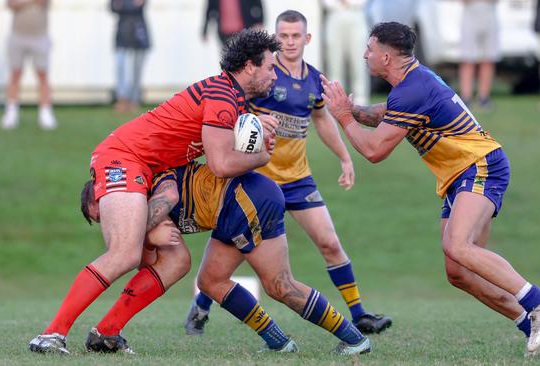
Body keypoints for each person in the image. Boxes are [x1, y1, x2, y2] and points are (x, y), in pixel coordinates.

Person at [27, 28, 281, 354]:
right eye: (271, 67)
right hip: (124, 158)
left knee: (177, 261)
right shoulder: (221, 94)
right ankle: (51, 334)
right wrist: (262, 156)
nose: (275, 75)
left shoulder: (234, 100)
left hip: (153, 171)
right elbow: (219, 164)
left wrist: (261, 126)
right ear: (249, 66)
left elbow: (228, 142)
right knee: (125, 253)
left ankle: (107, 332)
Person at [321, 21, 540, 356]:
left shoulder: (413, 88)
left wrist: (343, 117)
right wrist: (351, 110)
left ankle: (536, 303)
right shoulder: (411, 84)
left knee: (458, 245)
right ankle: (530, 324)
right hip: (458, 175)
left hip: (480, 165)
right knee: (458, 272)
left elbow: (374, 151)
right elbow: (385, 114)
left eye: (370, 49)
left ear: (387, 57)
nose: (365, 54)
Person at [186, 9, 391, 337]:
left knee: (329, 242)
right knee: (235, 251)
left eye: (296, 36)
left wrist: (345, 158)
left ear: (307, 39)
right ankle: (200, 308)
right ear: (275, 38)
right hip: (259, 180)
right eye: (283, 36)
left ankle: (359, 313)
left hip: (297, 180)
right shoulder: (263, 76)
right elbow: (234, 110)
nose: (290, 42)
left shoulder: (314, 79)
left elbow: (323, 120)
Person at [77, 161, 372, 355]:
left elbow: (168, 199)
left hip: (242, 200)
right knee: (210, 280)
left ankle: (354, 339)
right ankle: (279, 343)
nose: (111, 222)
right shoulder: (139, 209)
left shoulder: (148, 186)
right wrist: (145, 237)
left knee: (279, 285)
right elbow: (145, 259)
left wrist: (142, 230)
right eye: (102, 220)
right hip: (235, 207)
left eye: (105, 212)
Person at [0, 0, 57, 130]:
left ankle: (46, 112)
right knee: (15, 73)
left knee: (43, 75)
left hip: (40, 36)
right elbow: (11, 4)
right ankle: (11, 112)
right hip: (17, 35)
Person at [322, 0, 370, 105]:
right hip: (334, 15)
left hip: (356, 14)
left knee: (359, 59)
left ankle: (360, 98)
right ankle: (336, 98)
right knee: (334, 60)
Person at [458, 0, 499, 111]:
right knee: (467, 58)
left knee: (488, 58)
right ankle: (466, 97)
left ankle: (483, 97)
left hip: (489, 14)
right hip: (470, 15)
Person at [110, 0, 151, 113]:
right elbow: (113, 7)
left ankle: (134, 99)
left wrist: (123, 5)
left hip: (139, 35)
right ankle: (122, 99)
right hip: (122, 34)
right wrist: (130, 5)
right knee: (120, 67)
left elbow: (137, 7)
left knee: (136, 70)